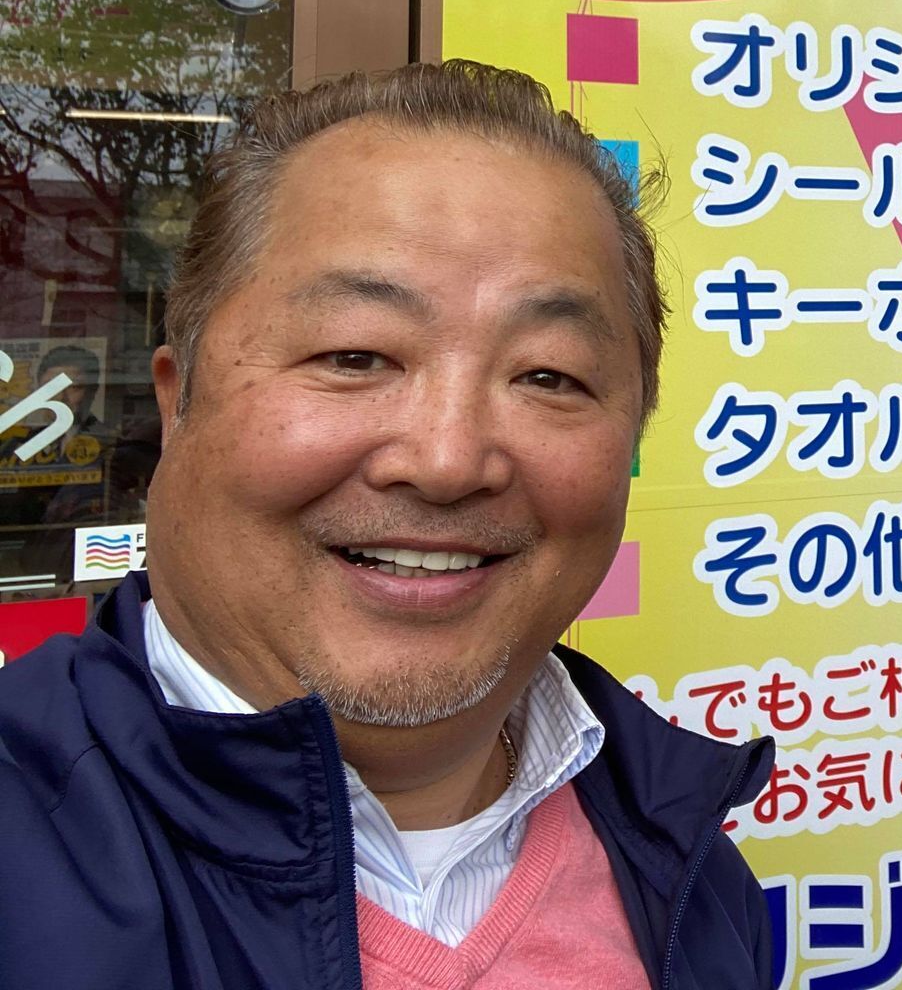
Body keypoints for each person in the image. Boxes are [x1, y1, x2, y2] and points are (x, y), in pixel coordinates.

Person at [0, 62, 775, 990]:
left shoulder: (688, 867)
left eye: (548, 375)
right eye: (355, 355)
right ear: (179, 402)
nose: (448, 460)